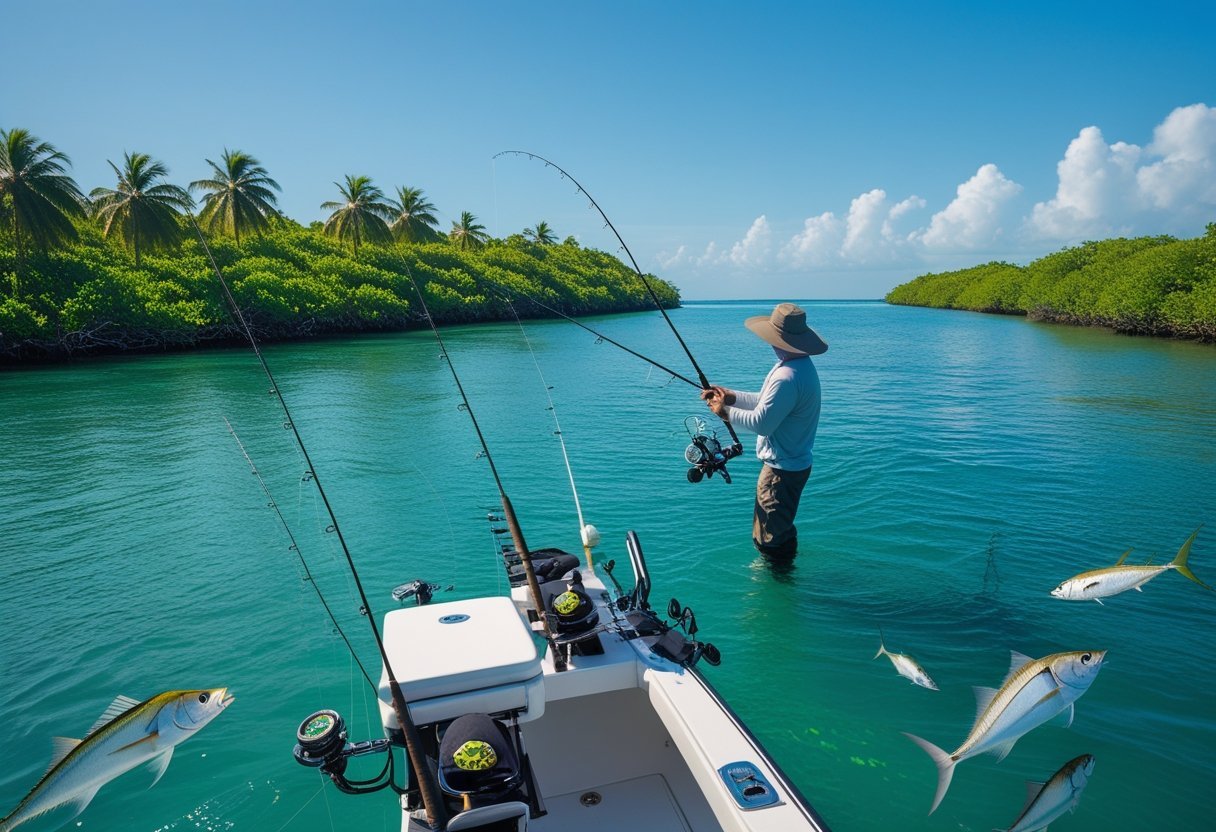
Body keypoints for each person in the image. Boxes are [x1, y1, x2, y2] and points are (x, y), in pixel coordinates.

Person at [702, 303, 826, 558]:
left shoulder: (786, 376)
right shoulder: (799, 366)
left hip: (781, 472)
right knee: (780, 529)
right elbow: (766, 402)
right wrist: (730, 397)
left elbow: (762, 423)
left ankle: (777, 579)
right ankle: (784, 565)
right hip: (794, 465)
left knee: (769, 539)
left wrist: (723, 412)